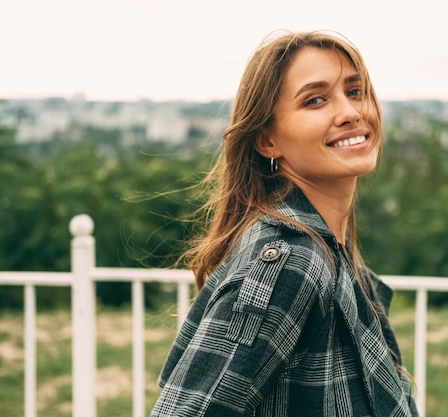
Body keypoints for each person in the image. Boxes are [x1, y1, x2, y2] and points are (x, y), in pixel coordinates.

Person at [150, 30, 419, 417]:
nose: (350, 112)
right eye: (315, 100)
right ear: (267, 141)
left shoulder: (331, 249)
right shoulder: (289, 262)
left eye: (355, 91)